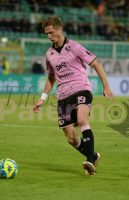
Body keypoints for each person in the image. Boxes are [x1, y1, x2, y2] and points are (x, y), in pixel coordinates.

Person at [32, 16, 113, 175]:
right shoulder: (49, 54)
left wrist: (106, 86)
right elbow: (51, 77)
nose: (49, 36)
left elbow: (96, 64)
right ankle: (93, 156)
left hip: (81, 89)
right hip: (63, 97)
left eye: (51, 32)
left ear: (59, 29)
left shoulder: (75, 47)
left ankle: (89, 162)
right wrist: (42, 98)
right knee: (71, 139)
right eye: (46, 34)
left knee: (83, 119)